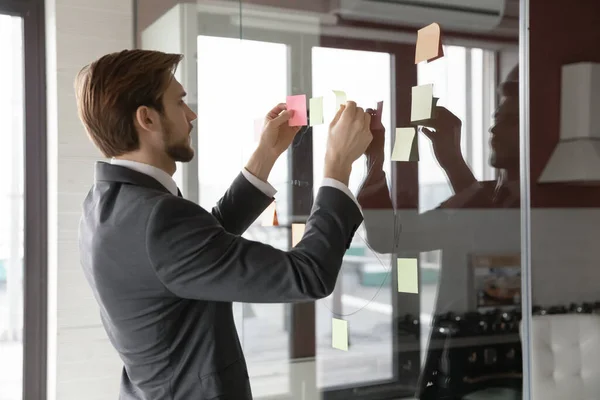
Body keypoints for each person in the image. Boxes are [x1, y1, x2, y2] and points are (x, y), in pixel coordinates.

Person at [75, 49, 373, 400]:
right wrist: (337, 164)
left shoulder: (106, 203)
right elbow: (308, 275)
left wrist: (265, 155)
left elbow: (198, 255)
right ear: (147, 119)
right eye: (179, 103)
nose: (191, 115)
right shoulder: (155, 218)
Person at [357, 65, 521, 399]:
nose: (493, 128)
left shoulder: (505, 205)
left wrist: (374, 162)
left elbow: (389, 236)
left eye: (509, 120)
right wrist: (451, 158)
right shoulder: (500, 199)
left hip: (480, 372)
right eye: (496, 116)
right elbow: (480, 219)